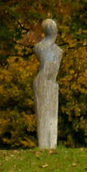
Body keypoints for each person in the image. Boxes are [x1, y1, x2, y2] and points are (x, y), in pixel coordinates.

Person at [32, 18, 63, 149]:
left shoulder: (57, 50)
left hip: (52, 83)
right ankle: (44, 145)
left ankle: (52, 144)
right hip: (42, 82)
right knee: (43, 114)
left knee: (51, 114)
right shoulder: (39, 47)